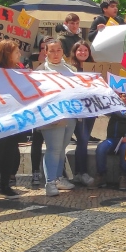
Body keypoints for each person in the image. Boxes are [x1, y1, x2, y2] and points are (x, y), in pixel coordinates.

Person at [34, 39, 80, 197]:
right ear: (45, 52)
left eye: (58, 50)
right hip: (51, 115)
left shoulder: (71, 68)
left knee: (61, 149)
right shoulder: (41, 71)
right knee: (53, 149)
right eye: (52, 50)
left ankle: (59, 178)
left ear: (63, 51)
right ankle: (50, 182)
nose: (55, 54)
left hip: (70, 114)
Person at [95, 93, 126, 189]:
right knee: (101, 147)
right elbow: (102, 108)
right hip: (112, 139)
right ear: (120, 97)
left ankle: (123, 176)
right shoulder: (114, 107)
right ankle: (101, 175)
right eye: (124, 96)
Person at [69, 41, 97, 187]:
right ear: (74, 51)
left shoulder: (94, 68)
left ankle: (80, 174)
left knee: (83, 141)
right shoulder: (69, 69)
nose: (83, 52)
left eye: (85, 50)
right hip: (77, 110)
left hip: (92, 109)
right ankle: (82, 173)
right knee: (83, 139)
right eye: (80, 50)